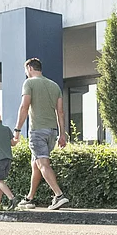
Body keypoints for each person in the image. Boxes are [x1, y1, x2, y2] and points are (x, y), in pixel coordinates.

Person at [12, 57, 71, 210]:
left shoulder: (29, 83)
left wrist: (17, 130)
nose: (26, 73)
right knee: (36, 164)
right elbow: (60, 112)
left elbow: (24, 107)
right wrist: (62, 134)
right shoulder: (54, 86)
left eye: (26, 71)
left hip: (37, 130)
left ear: (30, 69)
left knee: (42, 163)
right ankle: (30, 198)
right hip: (52, 132)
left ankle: (59, 195)